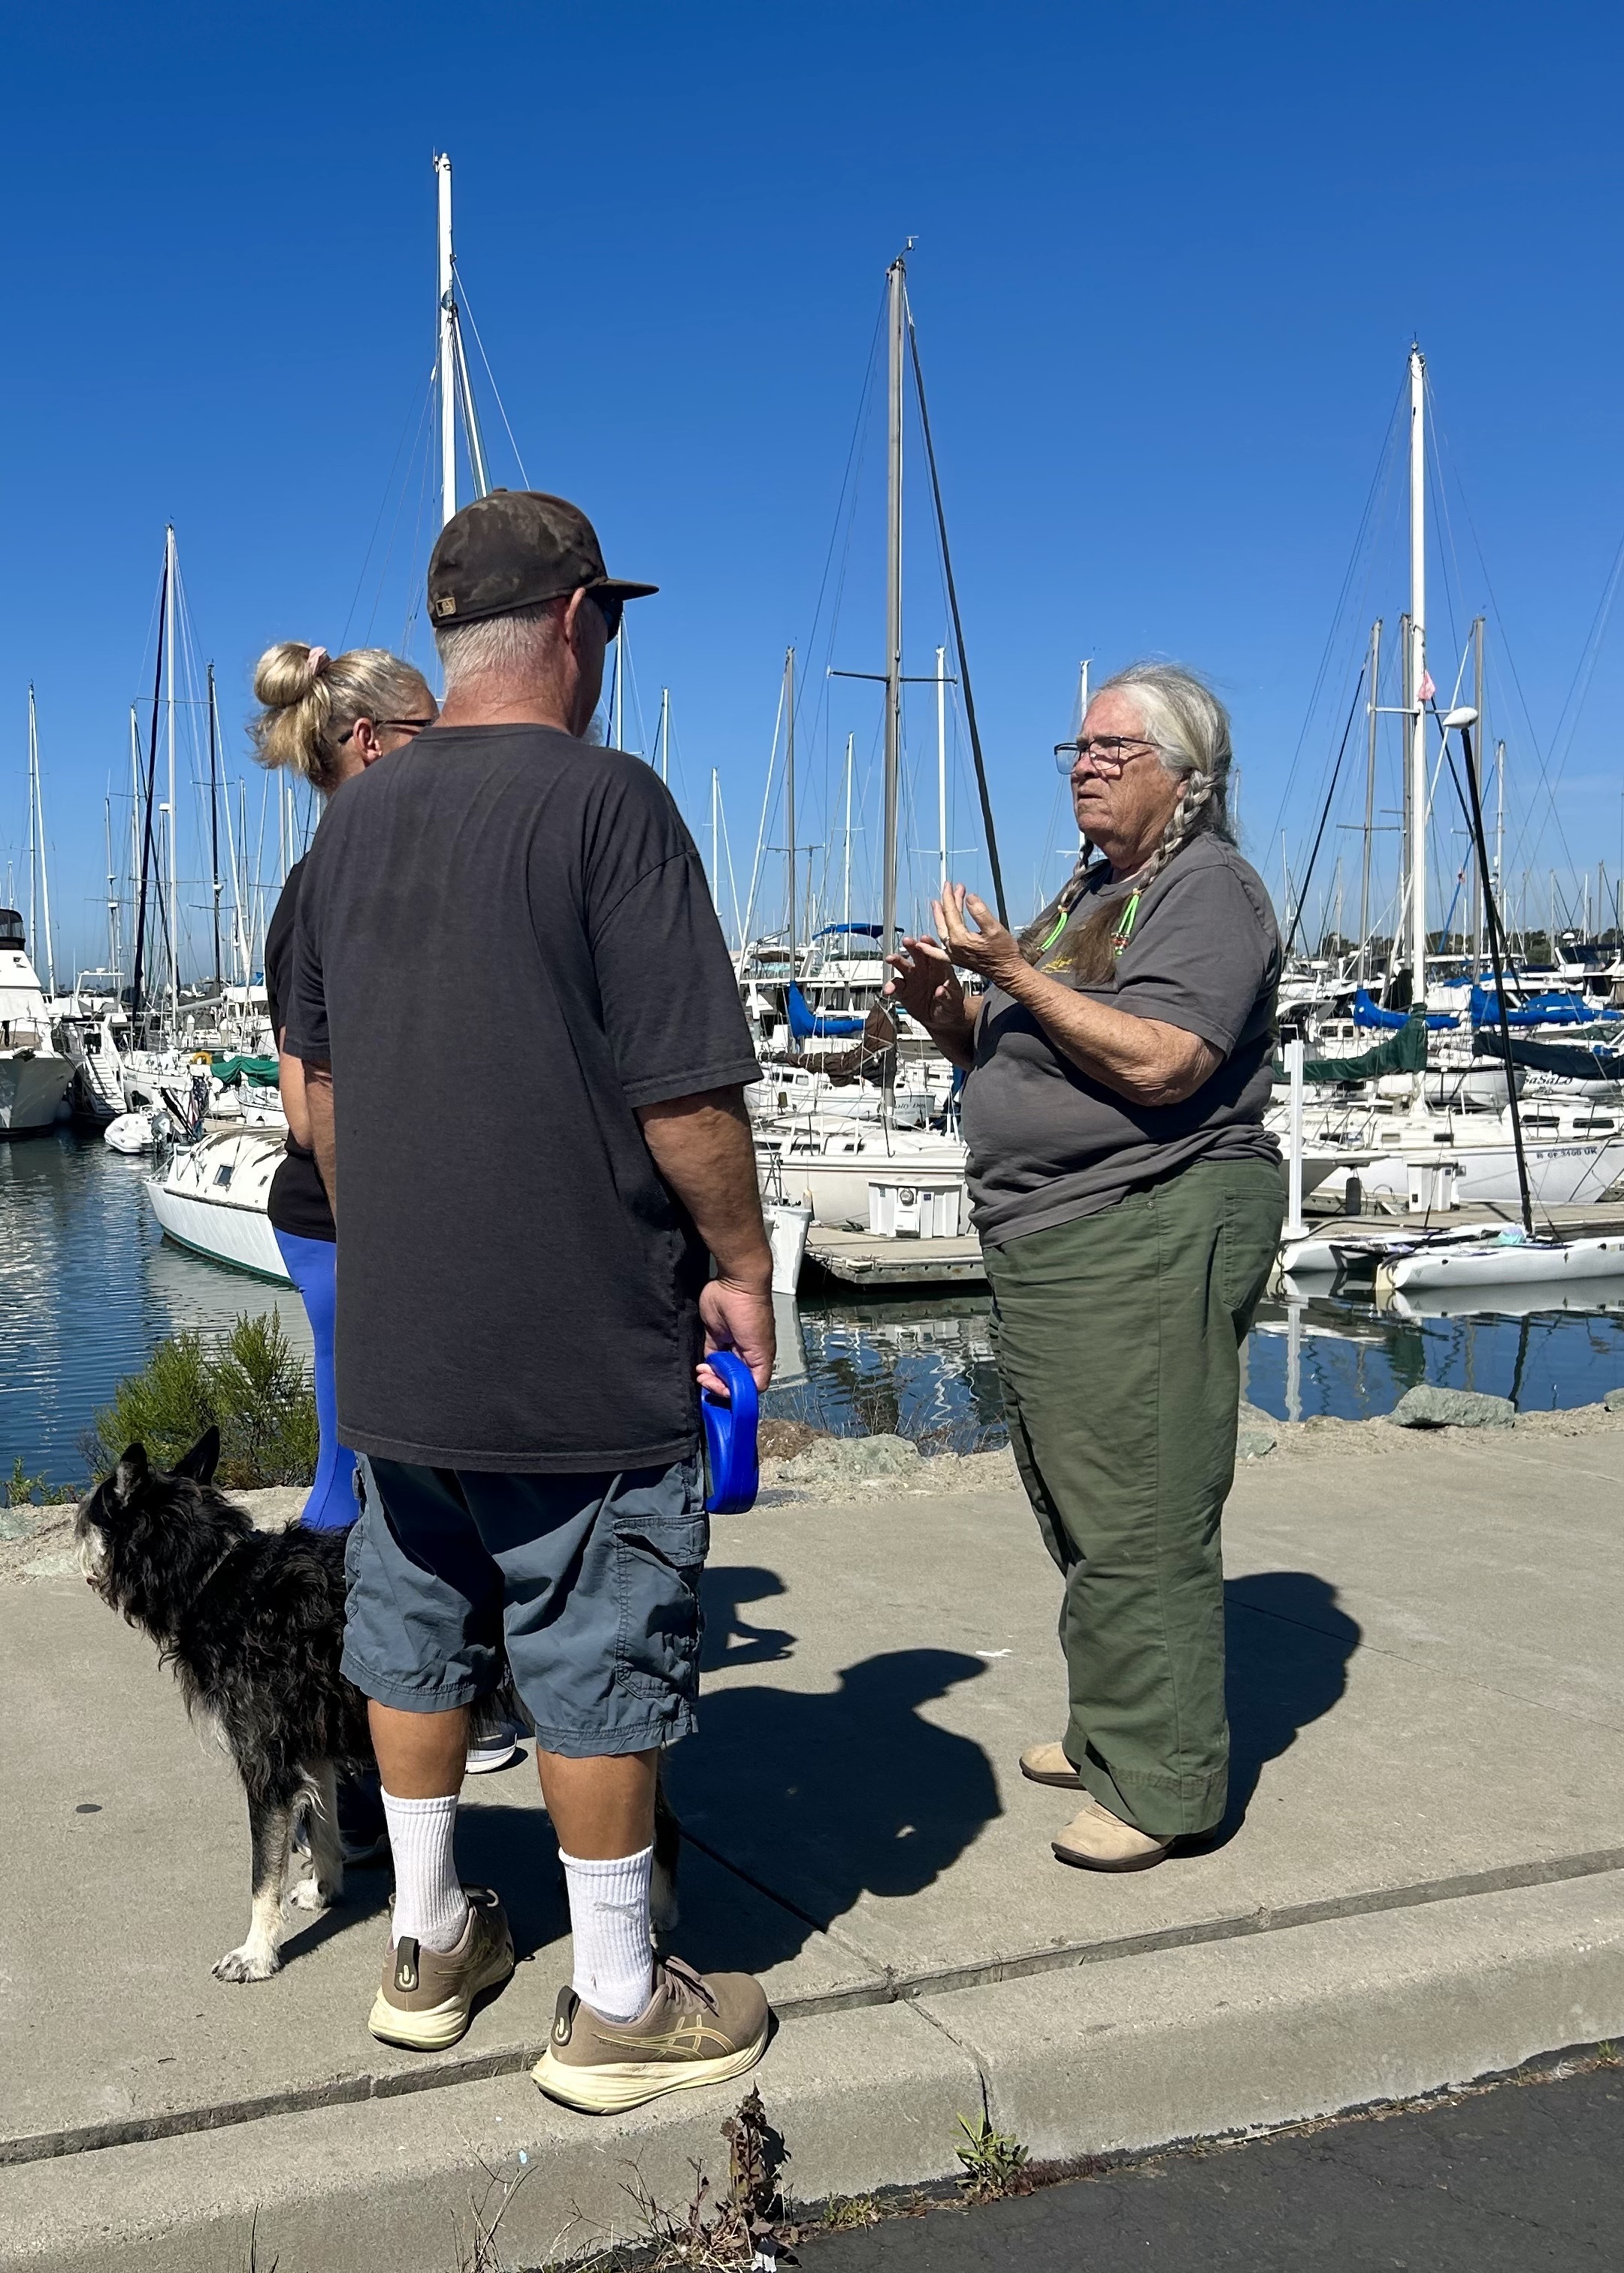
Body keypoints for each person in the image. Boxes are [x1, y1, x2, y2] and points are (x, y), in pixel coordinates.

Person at [285, 490, 776, 2114]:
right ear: (575, 622)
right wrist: (742, 1266)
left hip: (402, 1333)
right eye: (609, 620)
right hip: (577, 1336)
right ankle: (621, 2002)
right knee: (593, 1637)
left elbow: (321, 1096)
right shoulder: (610, 804)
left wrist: (395, 1240)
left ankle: (426, 1943)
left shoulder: (351, 825)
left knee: (414, 1626)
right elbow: (685, 1091)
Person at [888, 661, 1283, 1872]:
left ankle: (1163, 1785)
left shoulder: (1208, 889)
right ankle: (1114, 1727)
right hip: (1065, 1229)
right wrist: (950, 1012)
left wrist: (1012, 972)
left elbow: (1164, 1061)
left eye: (1116, 748)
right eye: (1080, 748)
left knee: (1139, 1504)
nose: (1088, 766)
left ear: (1188, 778)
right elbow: (1030, 1058)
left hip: (1146, 1219)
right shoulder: (1093, 891)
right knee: (1079, 1495)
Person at [249, 643, 527, 1783]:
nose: (449, 745)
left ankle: (377, 1715)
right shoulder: (329, 884)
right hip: (347, 1221)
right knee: (358, 1470)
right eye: (429, 731)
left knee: (391, 1466)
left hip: (370, 1216)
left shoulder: (372, 871)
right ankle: (352, 1716)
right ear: (370, 742)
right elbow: (305, 1096)